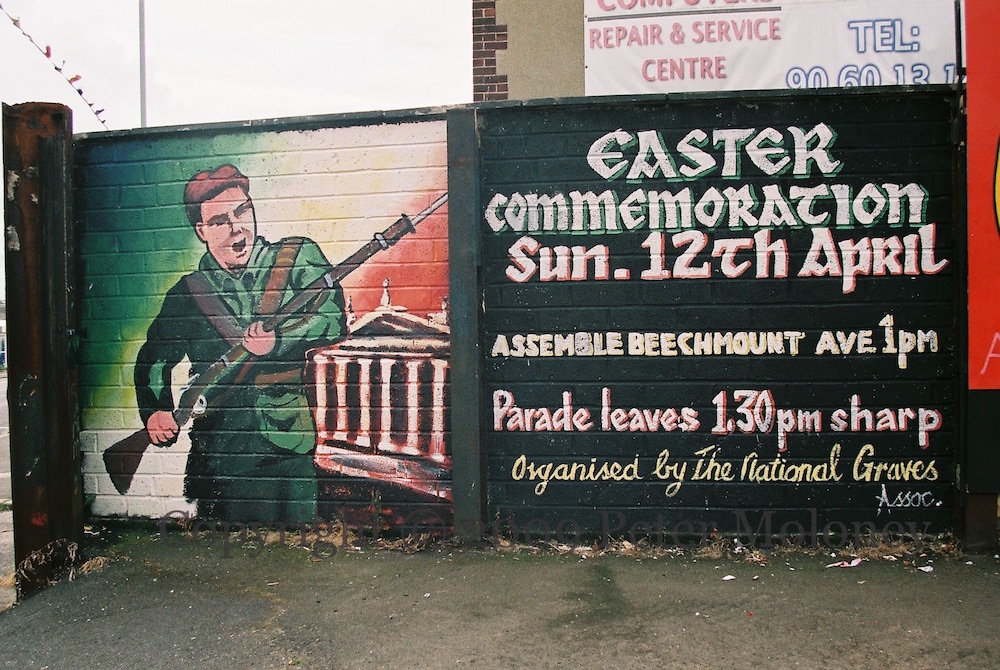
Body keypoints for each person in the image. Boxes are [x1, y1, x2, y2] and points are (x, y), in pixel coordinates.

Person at [134, 164, 346, 522]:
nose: (237, 228)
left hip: (287, 440)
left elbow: (331, 319)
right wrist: (156, 410)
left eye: (242, 211)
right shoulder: (188, 293)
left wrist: (279, 340)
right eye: (220, 221)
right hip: (219, 451)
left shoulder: (296, 258)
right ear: (201, 231)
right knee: (221, 547)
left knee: (298, 542)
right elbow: (154, 358)